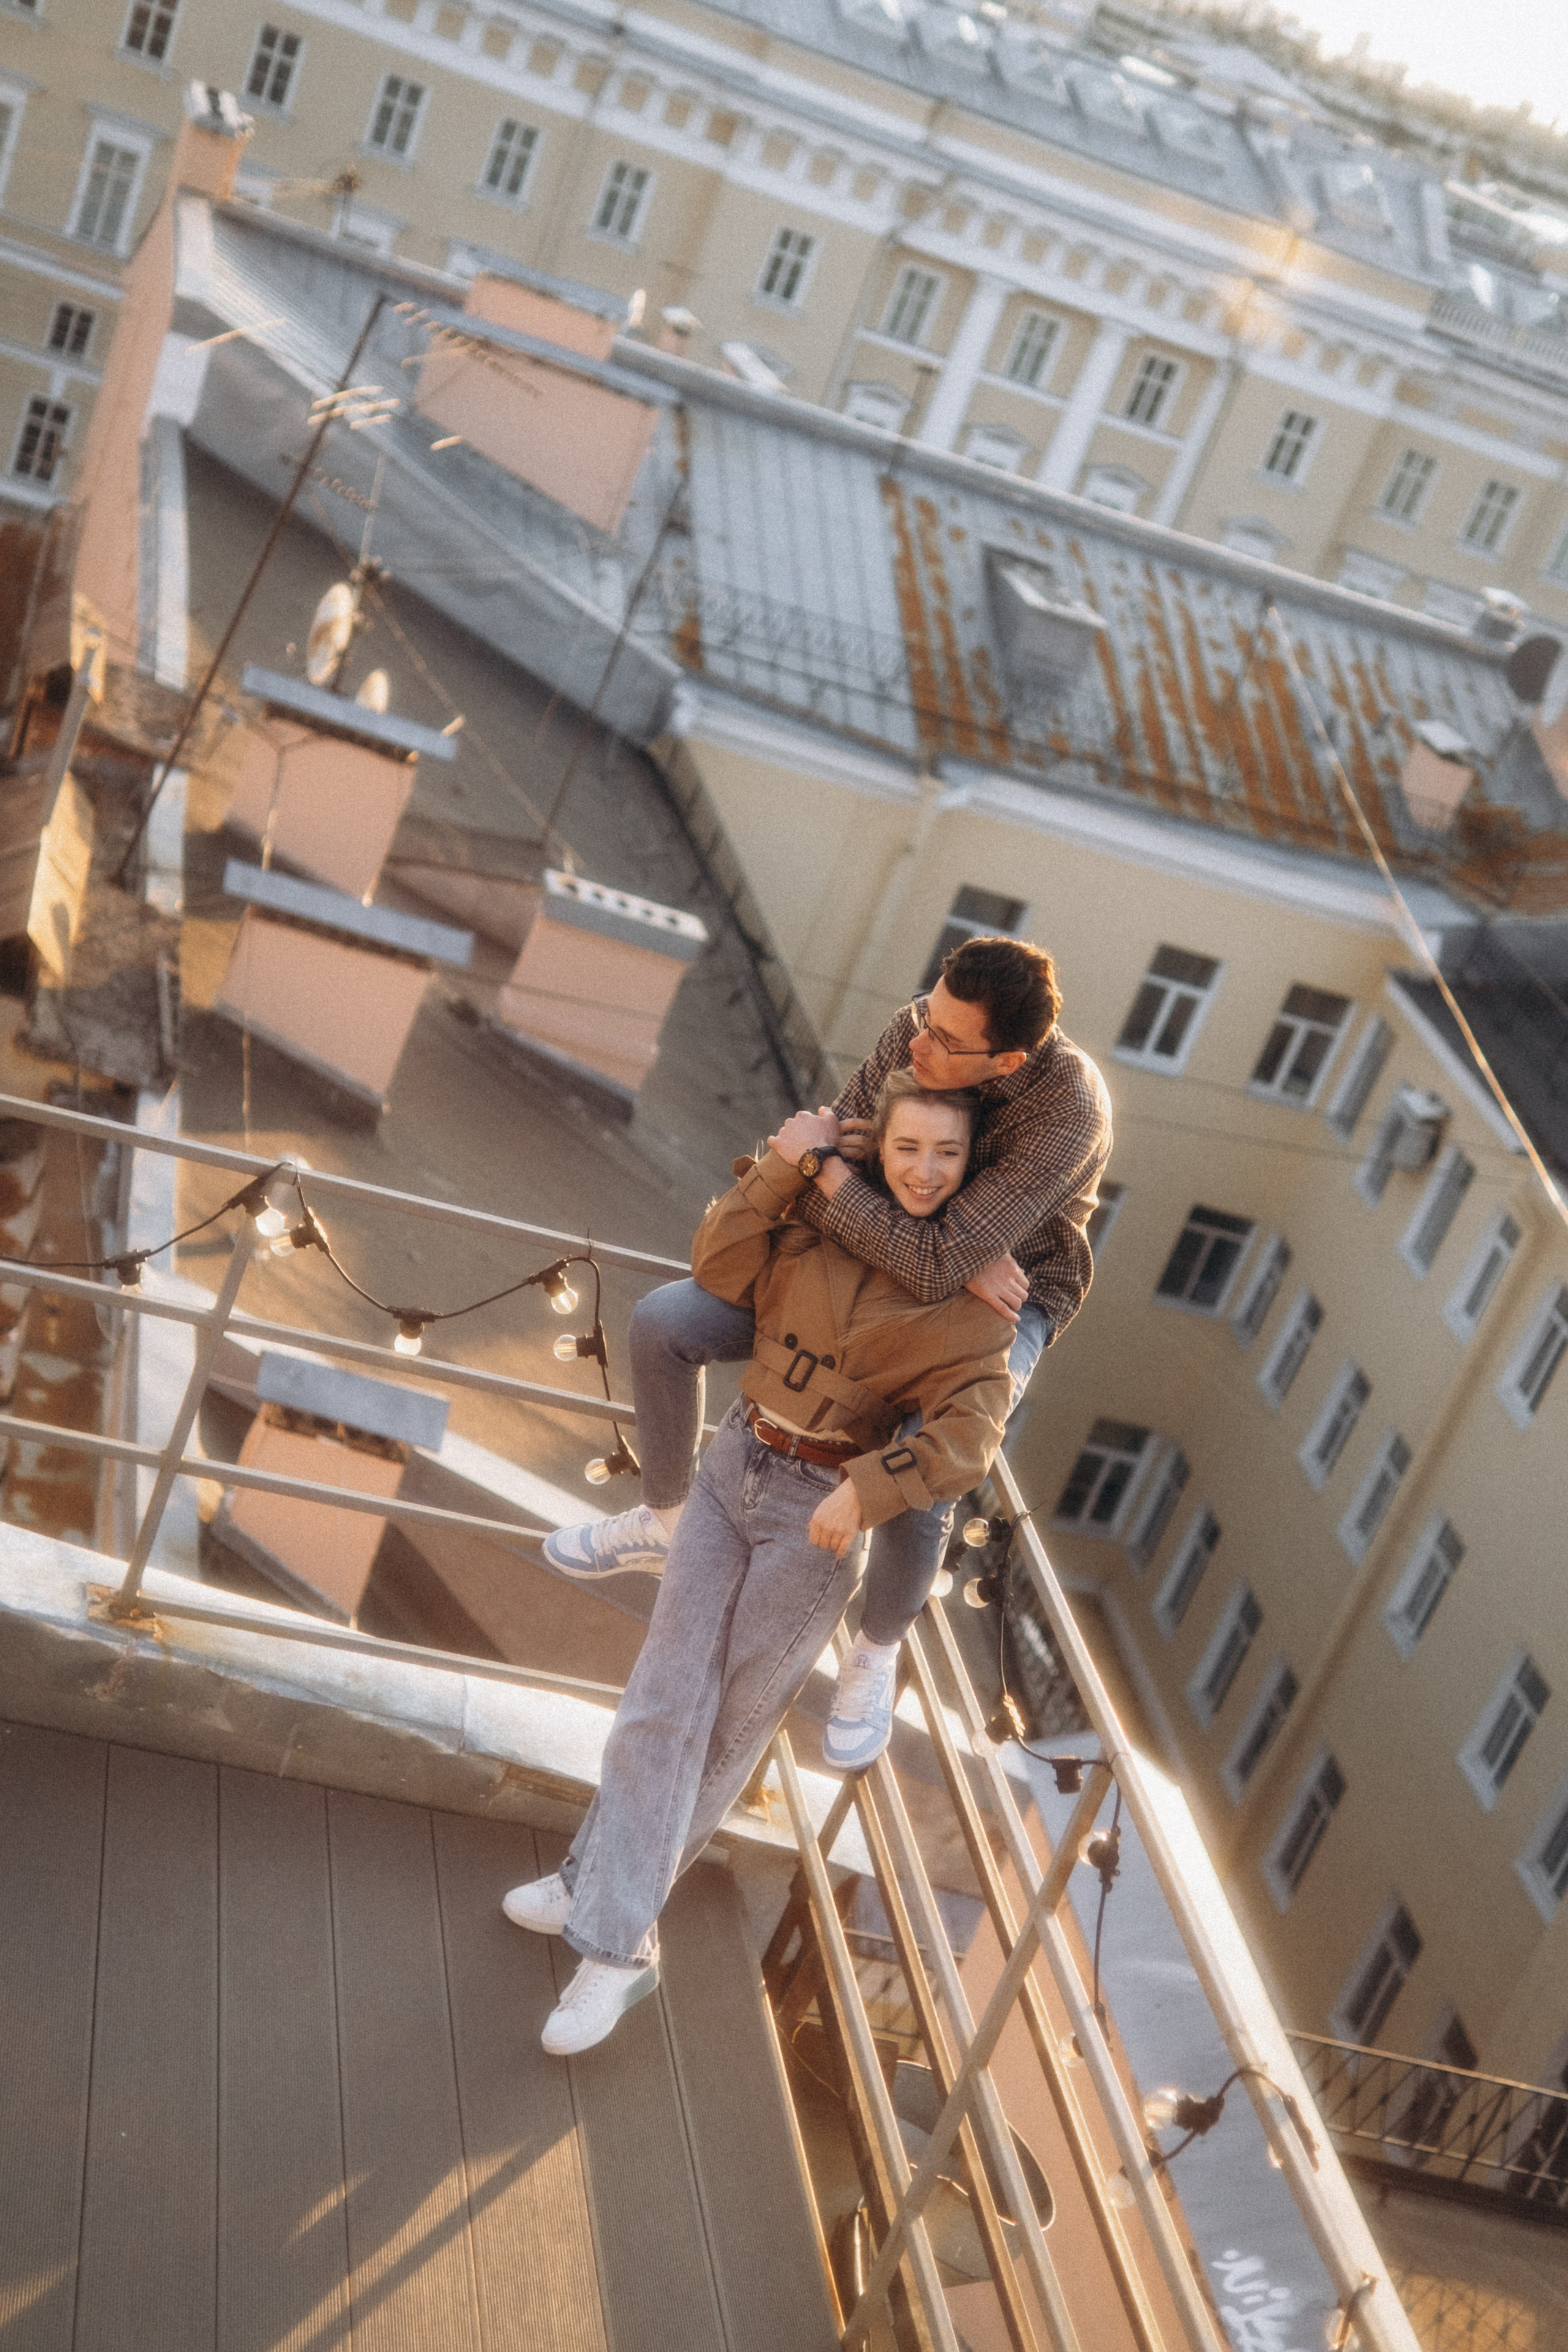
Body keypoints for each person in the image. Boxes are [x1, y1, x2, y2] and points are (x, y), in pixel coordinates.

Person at [506, 1073, 1012, 2056]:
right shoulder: (829, 1219)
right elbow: (717, 1265)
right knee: (664, 1701)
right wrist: (783, 1168)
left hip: (816, 1519)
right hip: (733, 1463)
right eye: (908, 1147)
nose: (924, 1169)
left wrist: (869, 1488)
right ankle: (616, 1949)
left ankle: (588, 1882)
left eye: (947, 1154)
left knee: (728, 1728)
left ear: (972, 1169)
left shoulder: (978, 1298)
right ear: (881, 1147)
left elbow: (970, 1439)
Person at [546, 933, 1112, 1770]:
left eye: (945, 1043)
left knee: (926, 1468)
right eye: (927, 1015)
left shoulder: (1070, 1113)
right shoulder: (914, 1029)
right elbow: (838, 1171)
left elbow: (909, 1244)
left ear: (1006, 1061)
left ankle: (875, 1653)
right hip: (885, 1247)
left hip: (1004, 1295)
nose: (917, 1042)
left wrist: (913, 1222)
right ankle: (666, 1518)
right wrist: (921, 1220)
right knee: (667, 1321)